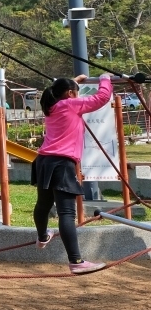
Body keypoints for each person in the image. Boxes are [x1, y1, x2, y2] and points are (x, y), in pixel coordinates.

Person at [33, 73, 113, 274]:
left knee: (43, 205)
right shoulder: (70, 104)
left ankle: (42, 237)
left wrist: (74, 82)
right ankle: (76, 261)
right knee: (66, 213)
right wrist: (105, 78)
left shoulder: (51, 105)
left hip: (43, 161)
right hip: (61, 163)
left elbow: (59, 91)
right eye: (76, 92)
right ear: (69, 93)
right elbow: (102, 98)